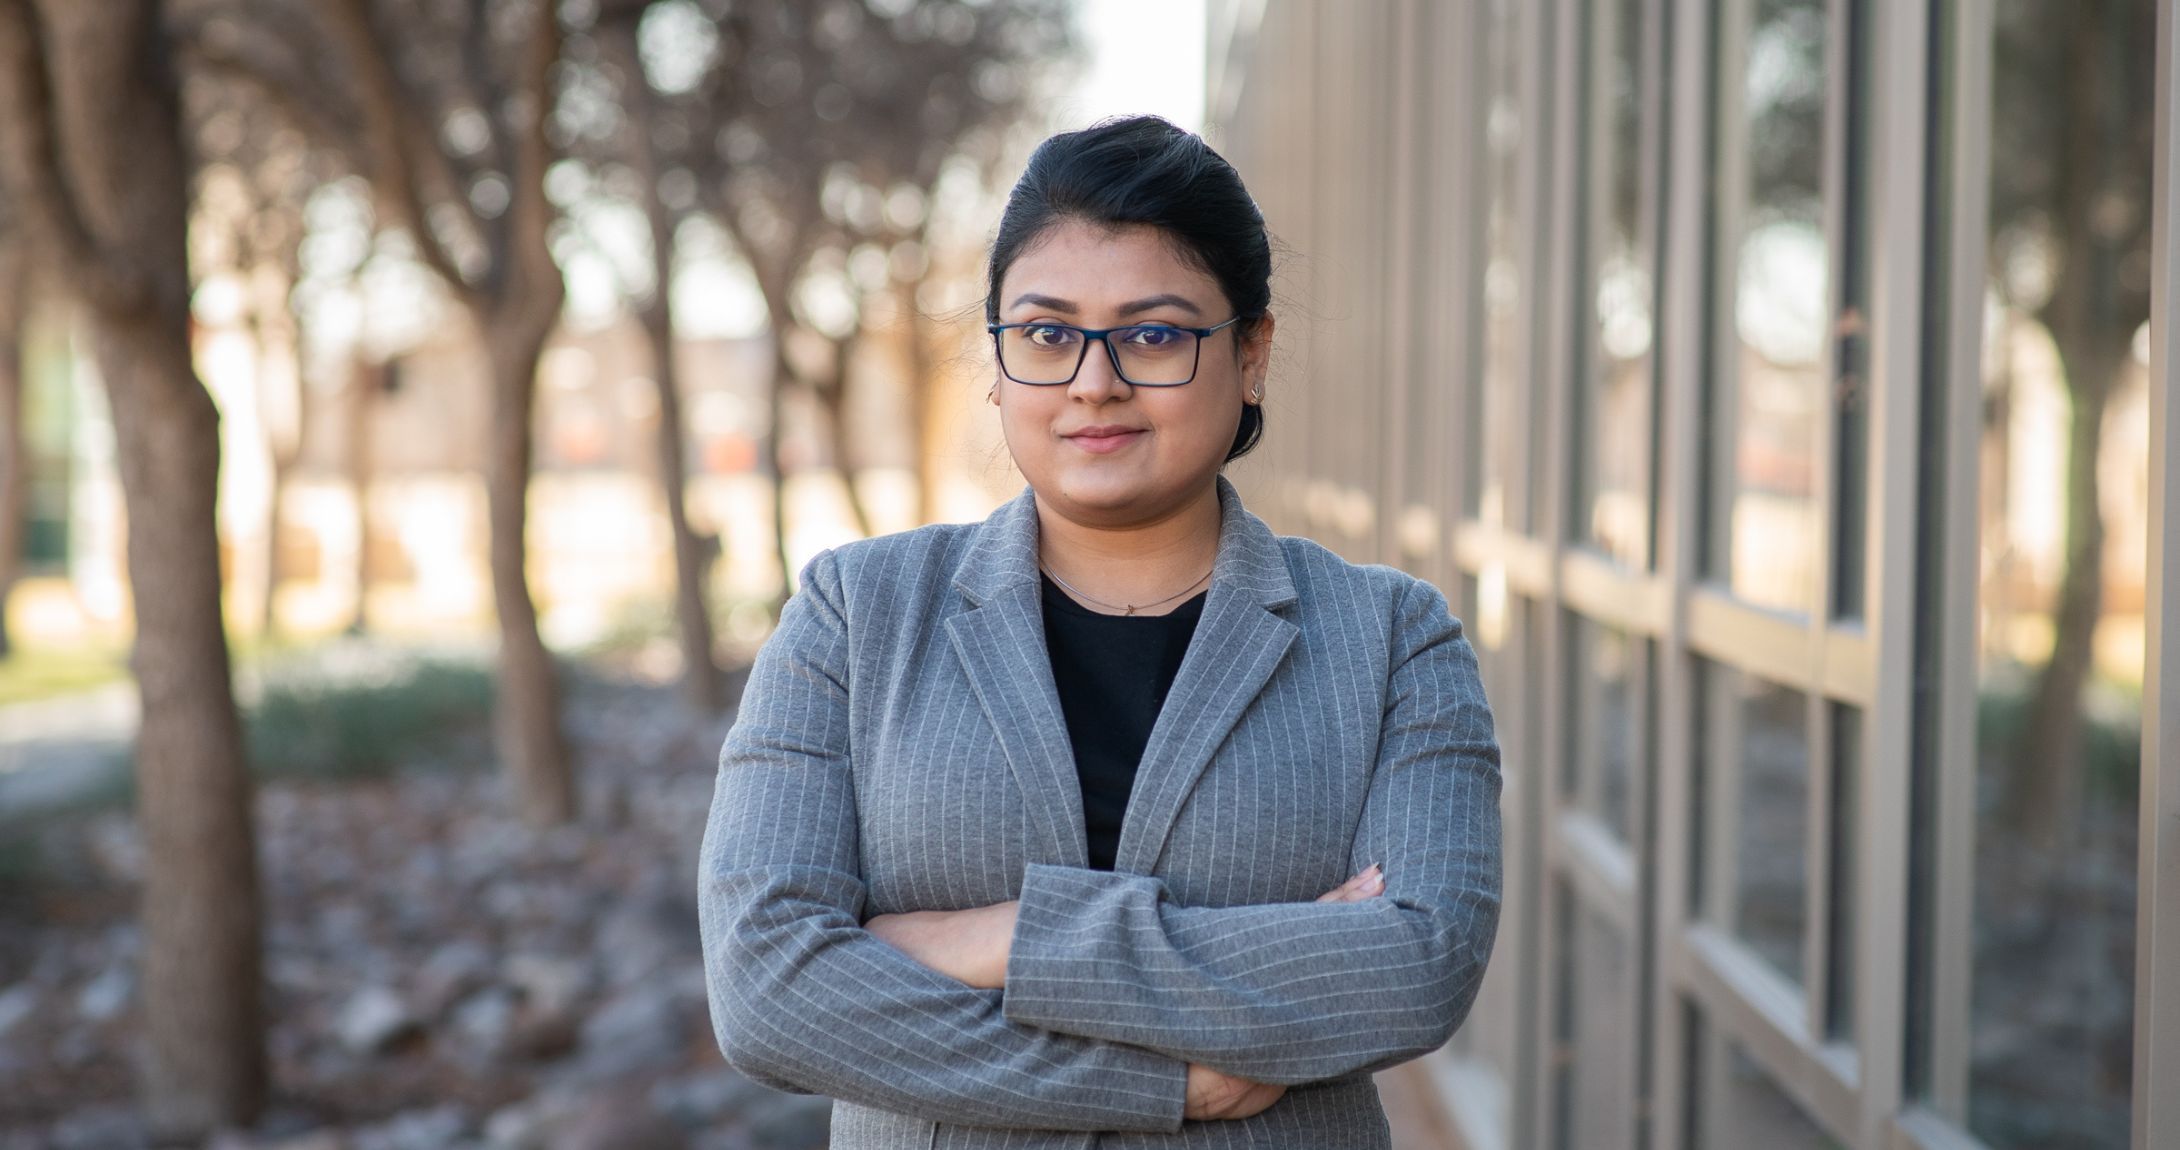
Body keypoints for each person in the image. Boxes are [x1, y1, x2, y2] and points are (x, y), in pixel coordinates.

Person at [696, 114, 1503, 1148]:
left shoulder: (1391, 636)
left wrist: (1000, 937)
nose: (1092, 381)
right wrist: (1164, 1083)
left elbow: (1414, 969)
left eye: (1154, 334)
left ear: (1250, 354)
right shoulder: (854, 614)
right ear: (996, 359)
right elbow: (767, 991)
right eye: (1044, 333)